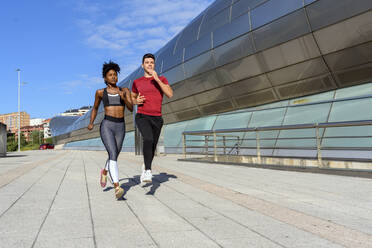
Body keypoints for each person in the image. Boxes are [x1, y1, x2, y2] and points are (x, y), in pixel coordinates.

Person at [88, 61, 133, 199]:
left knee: (115, 154)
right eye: (110, 75)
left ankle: (105, 171)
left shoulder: (124, 90)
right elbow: (95, 108)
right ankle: (117, 186)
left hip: (121, 125)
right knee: (113, 153)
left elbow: (131, 108)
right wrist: (91, 123)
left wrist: (123, 97)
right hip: (107, 125)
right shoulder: (100, 92)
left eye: (115, 75)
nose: (113, 77)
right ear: (105, 78)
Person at [131, 53, 173, 183]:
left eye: (152, 62)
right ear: (142, 65)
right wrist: (135, 100)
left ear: (154, 65)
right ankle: (148, 170)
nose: (149, 64)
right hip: (142, 116)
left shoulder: (162, 79)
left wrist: (158, 80)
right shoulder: (137, 82)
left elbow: (170, 94)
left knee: (153, 146)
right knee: (148, 139)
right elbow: (132, 98)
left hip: (157, 117)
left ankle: (145, 166)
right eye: (147, 62)